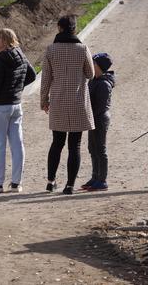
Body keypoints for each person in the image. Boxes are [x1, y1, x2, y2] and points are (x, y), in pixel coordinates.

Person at [41, 15, 95, 195]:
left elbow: (46, 78)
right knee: (75, 145)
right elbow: (90, 74)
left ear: (59, 28)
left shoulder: (51, 50)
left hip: (57, 101)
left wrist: (44, 100)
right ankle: (70, 185)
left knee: (57, 142)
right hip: (78, 101)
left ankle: (50, 181)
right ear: (74, 28)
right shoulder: (82, 49)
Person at [0, 28, 36, 193]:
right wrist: (16, 88)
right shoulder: (20, 54)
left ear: (4, 41)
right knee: (17, 144)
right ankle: (16, 183)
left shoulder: (0, 59)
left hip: (0, 107)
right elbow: (32, 75)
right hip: (16, 105)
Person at [82, 53, 115, 192]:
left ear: (99, 66)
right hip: (93, 118)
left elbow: (99, 106)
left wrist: (88, 115)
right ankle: (95, 177)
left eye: (93, 63)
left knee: (100, 149)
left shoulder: (103, 84)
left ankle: (102, 180)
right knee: (92, 148)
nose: (91, 65)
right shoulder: (94, 80)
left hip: (100, 119)